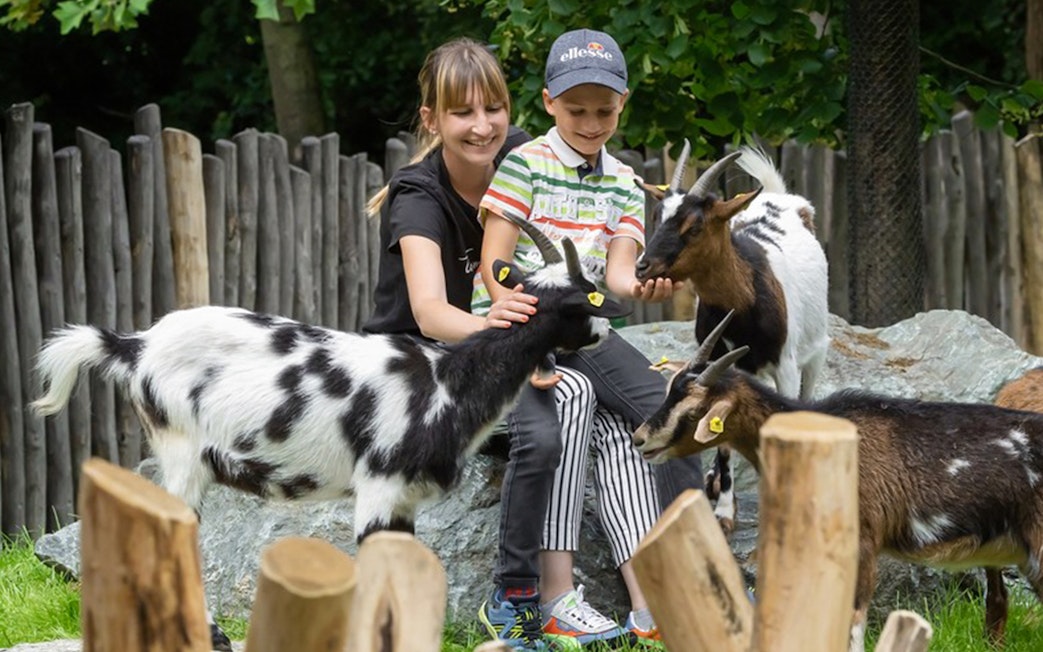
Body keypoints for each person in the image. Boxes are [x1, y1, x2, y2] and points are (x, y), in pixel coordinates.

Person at [363, 38, 638, 652]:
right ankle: (515, 599)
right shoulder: (418, 198)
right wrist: (515, 336)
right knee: (562, 408)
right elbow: (432, 313)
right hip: (428, 366)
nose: (483, 126)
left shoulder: (524, 160)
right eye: (462, 112)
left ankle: (650, 597)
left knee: (616, 412)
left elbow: (597, 211)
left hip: (504, 348)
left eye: (494, 108)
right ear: (432, 119)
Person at [475, 28, 704, 651]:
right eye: (577, 109)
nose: (591, 121)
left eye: (604, 110)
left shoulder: (625, 181)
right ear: (549, 102)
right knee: (571, 398)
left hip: (589, 326)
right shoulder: (523, 164)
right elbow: (493, 264)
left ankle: (674, 586)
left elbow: (622, 273)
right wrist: (512, 320)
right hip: (521, 323)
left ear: (622, 104)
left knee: (669, 408)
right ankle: (550, 595)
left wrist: (650, 284)